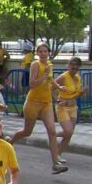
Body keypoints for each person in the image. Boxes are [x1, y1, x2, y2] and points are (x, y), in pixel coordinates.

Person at [10, 43, 68, 174]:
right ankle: (10, 141)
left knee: (52, 131)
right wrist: (43, 76)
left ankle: (55, 163)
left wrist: (59, 87)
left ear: (49, 52)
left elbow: (50, 79)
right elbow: (32, 84)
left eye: (45, 51)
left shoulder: (50, 65)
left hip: (46, 102)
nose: (43, 53)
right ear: (37, 53)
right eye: (40, 51)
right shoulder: (35, 65)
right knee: (27, 131)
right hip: (33, 102)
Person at [54, 56, 87, 163]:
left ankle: (57, 155)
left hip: (73, 107)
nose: (74, 68)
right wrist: (58, 101)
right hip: (62, 107)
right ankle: (52, 135)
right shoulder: (63, 77)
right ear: (68, 66)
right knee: (68, 131)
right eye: (72, 66)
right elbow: (50, 88)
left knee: (69, 134)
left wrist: (83, 92)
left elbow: (77, 93)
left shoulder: (78, 77)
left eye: (76, 67)